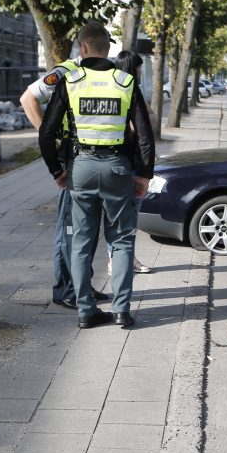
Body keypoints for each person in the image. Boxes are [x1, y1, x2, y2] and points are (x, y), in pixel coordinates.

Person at [38, 22, 155, 329]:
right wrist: (144, 174)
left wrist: (57, 170)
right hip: (118, 168)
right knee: (121, 241)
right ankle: (121, 311)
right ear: (108, 49)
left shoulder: (71, 81)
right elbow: (144, 135)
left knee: (81, 242)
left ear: (83, 48)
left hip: (82, 167)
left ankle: (86, 312)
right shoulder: (125, 82)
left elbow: (47, 132)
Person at [20, 47, 110, 310]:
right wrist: (49, 135)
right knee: (71, 229)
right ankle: (66, 289)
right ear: (85, 47)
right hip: (73, 161)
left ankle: (82, 285)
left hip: (92, 163)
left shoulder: (102, 72)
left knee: (88, 230)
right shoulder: (67, 72)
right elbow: (28, 99)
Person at [111, 49, 153, 275]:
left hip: (104, 162)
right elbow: (143, 134)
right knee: (127, 218)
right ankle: (124, 261)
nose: (140, 73)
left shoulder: (111, 88)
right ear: (132, 69)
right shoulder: (130, 90)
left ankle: (115, 260)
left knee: (112, 219)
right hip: (129, 163)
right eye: (138, 69)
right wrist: (146, 172)